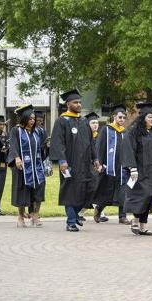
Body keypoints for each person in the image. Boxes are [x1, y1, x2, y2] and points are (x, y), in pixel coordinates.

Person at [50, 90, 98, 232]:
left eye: (79, 102)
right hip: (69, 163)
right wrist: (62, 161)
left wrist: (95, 158)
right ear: (68, 104)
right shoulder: (62, 121)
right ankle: (71, 221)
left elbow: (91, 142)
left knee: (89, 188)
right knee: (71, 191)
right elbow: (57, 143)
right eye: (75, 102)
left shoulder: (83, 121)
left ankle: (75, 214)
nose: (78, 104)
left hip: (85, 163)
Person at [121, 102, 152, 236]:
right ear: (143, 117)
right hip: (140, 171)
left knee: (150, 198)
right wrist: (132, 168)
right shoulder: (133, 132)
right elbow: (128, 150)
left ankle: (143, 226)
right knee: (141, 196)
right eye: (150, 117)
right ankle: (135, 221)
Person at [7, 105, 46, 227]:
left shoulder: (37, 132)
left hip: (37, 166)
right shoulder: (16, 130)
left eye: (33, 119)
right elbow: (13, 145)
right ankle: (20, 216)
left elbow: (42, 148)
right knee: (23, 190)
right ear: (24, 119)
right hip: (22, 167)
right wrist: (17, 158)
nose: (33, 121)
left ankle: (35, 215)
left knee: (39, 189)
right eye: (30, 119)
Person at [92, 105, 130, 224]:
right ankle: (99, 209)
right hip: (108, 167)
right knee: (106, 192)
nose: (122, 120)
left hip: (122, 168)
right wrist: (99, 163)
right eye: (120, 117)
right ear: (114, 117)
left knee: (123, 192)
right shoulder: (106, 129)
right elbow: (99, 147)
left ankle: (122, 216)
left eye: (124, 118)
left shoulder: (125, 131)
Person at [78, 111, 103, 222]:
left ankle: (97, 213)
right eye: (93, 122)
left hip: (97, 167)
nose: (95, 125)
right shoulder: (82, 137)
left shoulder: (99, 136)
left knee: (95, 189)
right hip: (85, 167)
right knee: (90, 189)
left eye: (97, 123)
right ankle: (79, 212)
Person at [0, 115, 8, 215]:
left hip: (3, 164)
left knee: (1, 187)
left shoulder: (4, 135)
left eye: (3, 124)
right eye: (0, 124)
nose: (2, 126)